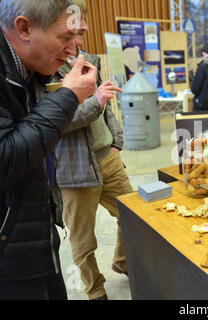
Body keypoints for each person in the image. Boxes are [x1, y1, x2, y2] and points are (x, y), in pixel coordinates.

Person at [0, 0, 97, 299]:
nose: (73, 50)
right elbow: (5, 158)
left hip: (37, 234)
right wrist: (68, 96)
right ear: (24, 28)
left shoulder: (26, 70)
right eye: (65, 38)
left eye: (78, 36)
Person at [51, 0, 134, 301]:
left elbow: (106, 107)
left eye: (81, 33)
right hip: (74, 172)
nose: (76, 43)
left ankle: (122, 263)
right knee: (83, 242)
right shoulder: (47, 71)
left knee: (131, 214)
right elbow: (58, 121)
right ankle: (96, 291)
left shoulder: (86, 61)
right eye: (69, 34)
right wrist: (95, 100)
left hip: (107, 159)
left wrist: (116, 141)